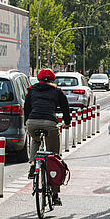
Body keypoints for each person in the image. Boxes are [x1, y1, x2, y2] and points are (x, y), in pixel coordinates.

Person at [24, 69, 71, 206]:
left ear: (38, 79)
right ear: (53, 79)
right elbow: (65, 109)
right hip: (50, 123)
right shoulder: (57, 91)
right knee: (54, 157)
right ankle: (55, 195)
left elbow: (26, 109)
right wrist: (66, 122)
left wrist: (28, 124)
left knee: (35, 140)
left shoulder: (31, 91)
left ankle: (33, 164)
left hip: (32, 122)